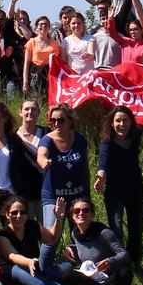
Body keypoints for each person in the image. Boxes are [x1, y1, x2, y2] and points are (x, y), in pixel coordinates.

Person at [37, 103, 91, 268]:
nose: (56, 124)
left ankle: (80, 273)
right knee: (51, 238)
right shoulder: (47, 140)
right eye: (53, 121)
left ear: (70, 120)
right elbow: (41, 155)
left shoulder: (80, 139)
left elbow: (86, 166)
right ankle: (42, 272)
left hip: (77, 195)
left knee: (81, 236)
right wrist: (44, 162)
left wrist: (87, 196)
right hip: (54, 196)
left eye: (61, 120)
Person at [94, 106, 143, 264]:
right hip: (115, 191)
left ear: (131, 122)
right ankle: (119, 262)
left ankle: (134, 263)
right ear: (111, 123)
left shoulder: (136, 134)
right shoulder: (107, 142)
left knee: (136, 228)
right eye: (118, 120)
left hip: (135, 189)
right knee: (116, 229)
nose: (122, 124)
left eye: (125, 120)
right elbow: (103, 161)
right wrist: (101, 176)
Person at [0, 195, 72, 285]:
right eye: (14, 213)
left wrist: (58, 219)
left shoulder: (33, 226)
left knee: (66, 266)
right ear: (7, 215)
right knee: (17, 269)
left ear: (27, 214)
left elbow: (52, 238)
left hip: (34, 274)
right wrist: (29, 262)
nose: (19, 216)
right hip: (14, 275)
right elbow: (13, 256)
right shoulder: (3, 235)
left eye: (22, 212)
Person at [61, 197, 133, 285]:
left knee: (126, 273)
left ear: (92, 214)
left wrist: (110, 261)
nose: (81, 213)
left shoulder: (104, 233)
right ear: (72, 216)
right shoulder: (75, 233)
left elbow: (124, 254)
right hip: (91, 277)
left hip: (110, 277)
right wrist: (70, 247)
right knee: (67, 275)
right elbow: (84, 249)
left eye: (85, 210)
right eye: (76, 211)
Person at [16, 99, 47, 219]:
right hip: (24, 192)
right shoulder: (13, 137)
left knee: (46, 231)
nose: (30, 112)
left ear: (39, 112)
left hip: (44, 191)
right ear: (20, 112)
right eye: (26, 109)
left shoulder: (46, 133)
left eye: (34, 109)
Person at [22, 16, 60, 95]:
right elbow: (26, 64)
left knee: (47, 96)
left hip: (48, 72)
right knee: (35, 96)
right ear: (36, 27)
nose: (43, 26)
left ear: (49, 27)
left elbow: (56, 62)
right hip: (34, 72)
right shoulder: (31, 42)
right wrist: (25, 82)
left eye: (46, 25)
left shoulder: (54, 44)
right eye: (41, 24)